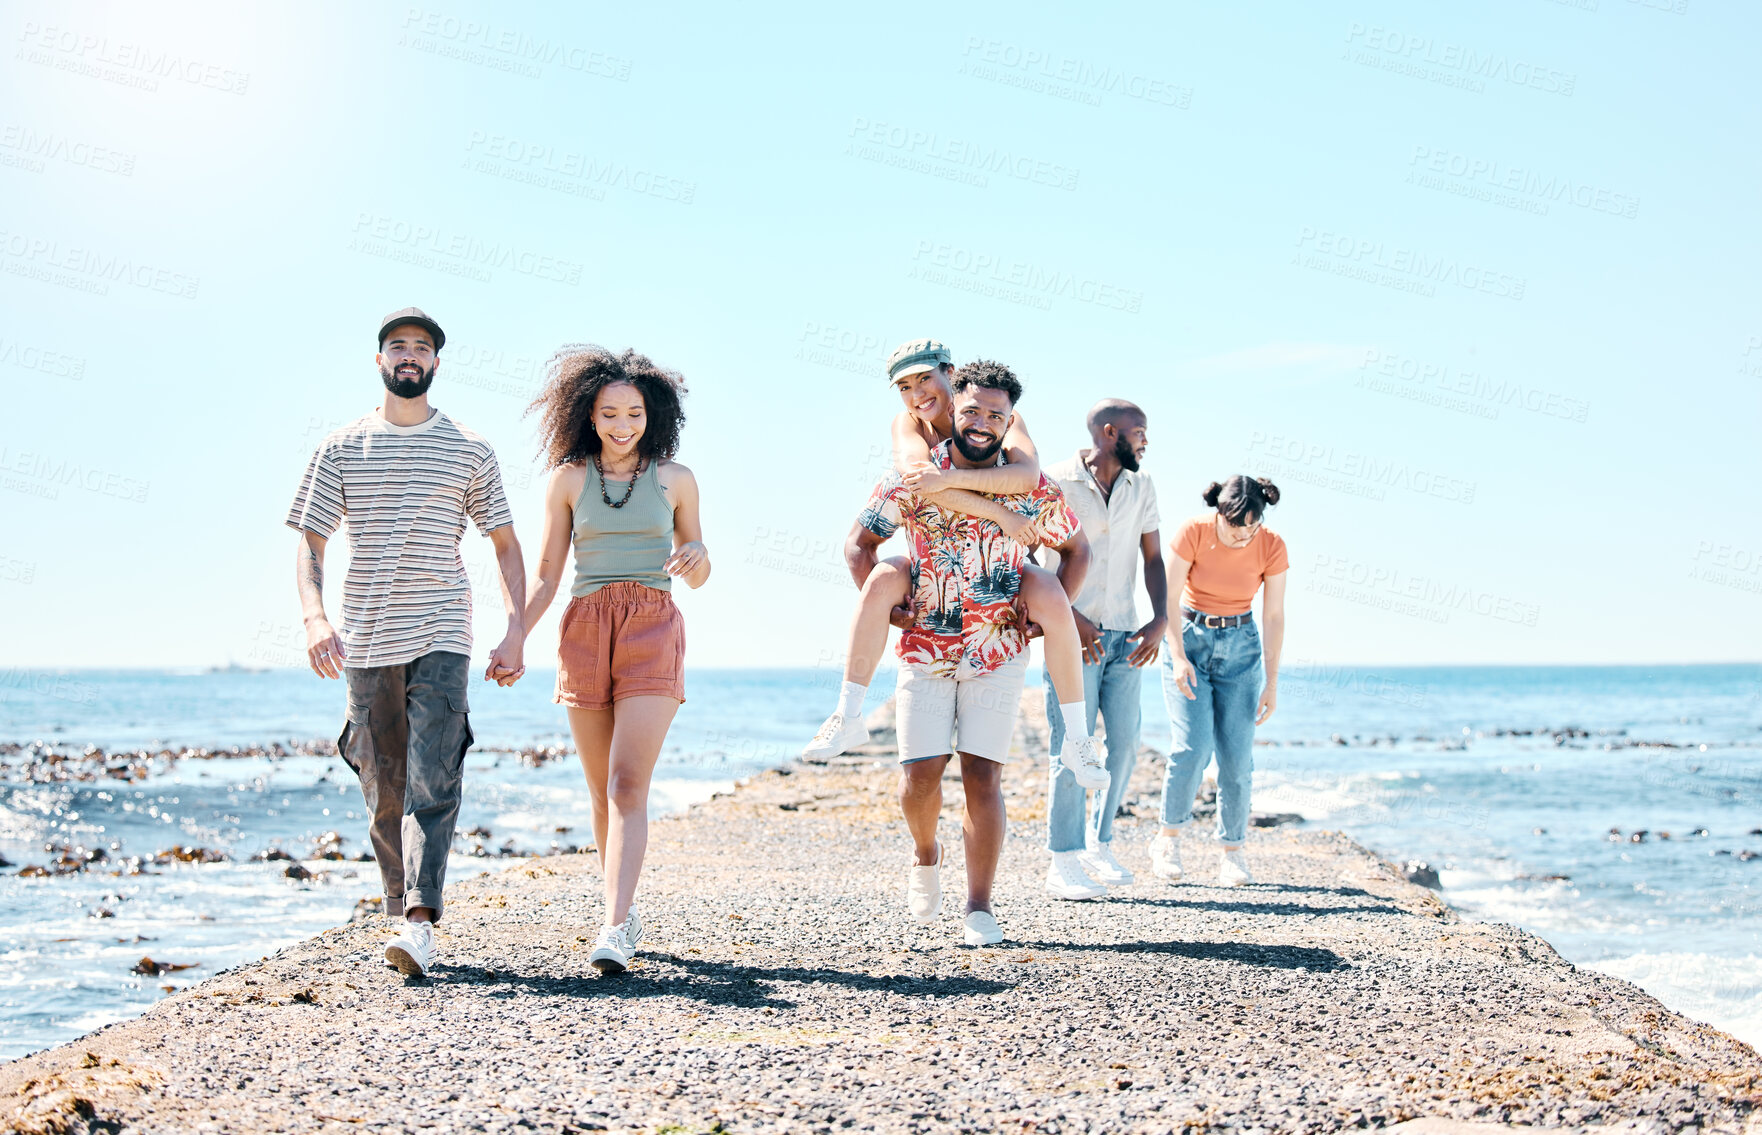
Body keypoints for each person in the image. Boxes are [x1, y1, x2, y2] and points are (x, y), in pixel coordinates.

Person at [288, 306, 528, 978]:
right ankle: (399, 909)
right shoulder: (341, 447)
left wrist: (515, 629)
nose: (409, 356)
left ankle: (420, 923)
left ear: (436, 364)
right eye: (398, 346)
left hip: (443, 629)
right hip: (365, 639)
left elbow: (505, 544)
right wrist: (314, 618)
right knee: (383, 785)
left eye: (421, 348)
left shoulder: (470, 448)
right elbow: (310, 542)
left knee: (433, 773)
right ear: (379, 360)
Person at [849, 360, 1089, 945]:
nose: (982, 423)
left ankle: (979, 907)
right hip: (925, 649)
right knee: (919, 780)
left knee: (984, 778)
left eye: (996, 416)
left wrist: (1046, 614)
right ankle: (925, 855)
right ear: (951, 408)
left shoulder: (1032, 488)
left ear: (1011, 422)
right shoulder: (914, 476)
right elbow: (861, 544)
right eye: (973, 411)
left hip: (998, 650)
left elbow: (1076, 550)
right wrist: (889, 607)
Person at [803, 339, 1108, 794]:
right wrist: (999, 513)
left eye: (925, 378)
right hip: (934, 580)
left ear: (951, 372)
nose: (917, 393)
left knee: (1046, 585)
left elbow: (1025, 478)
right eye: (904, 385)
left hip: (998, 590)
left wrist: (1047, 617)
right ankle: (848, 714)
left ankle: (1078, 739)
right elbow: (919, 485)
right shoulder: (909, 426)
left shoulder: (1001, 414)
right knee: (885, 575)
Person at [518, 345, 709, 974]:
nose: (623, 425)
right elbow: (547, 575)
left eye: (634, 413)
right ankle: (619, 910)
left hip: (652, 623)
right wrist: (514, 635)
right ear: (587, 416)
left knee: (630, 782)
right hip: (584, 627)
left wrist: (696, 557)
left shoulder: (675, 479)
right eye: (609, 414)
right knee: (601, 792)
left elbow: (700, 568)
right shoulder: (569, 480)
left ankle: (615, 924)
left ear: (652, 414)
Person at [1039, 400, 1168, 899]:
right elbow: (1025, 558)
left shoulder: (1144, 485)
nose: (1145, 441)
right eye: (1138, 432)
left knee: (1127, 744)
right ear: (1109, 432)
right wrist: (1069, 615)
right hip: (1072, 635)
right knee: (1072, 744)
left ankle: (1099, 841)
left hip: (1127, 635)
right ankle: (1063, 859)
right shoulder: (1053, 482)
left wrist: (1160, 619)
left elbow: (1153, 557)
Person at [1152, 476, 1287, 887]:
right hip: (1190, 640)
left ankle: (1233, 852)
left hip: (1242, 649)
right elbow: (1168, 597)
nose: (1243, 535)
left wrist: (1272, 682)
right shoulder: (1195, 531)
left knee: (1236, 759)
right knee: (1192, 749)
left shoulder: (1272, 545)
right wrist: (1176, 656)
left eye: (1252, 526)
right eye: (1235, 526)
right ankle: (1167, 840)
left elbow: (1274, 616)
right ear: (1219, 513)